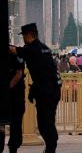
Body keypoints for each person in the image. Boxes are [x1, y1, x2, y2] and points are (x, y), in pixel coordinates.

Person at [9, 23, 61, 153]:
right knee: (48, 121)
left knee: (44, 123)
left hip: (47, 92)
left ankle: (51, 147)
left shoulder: (33, 49)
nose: (23, 40)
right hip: (52, 90)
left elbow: (14, 50)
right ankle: (51, 146)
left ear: (28, 35)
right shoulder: (44, 48)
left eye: (24, 36)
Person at [0, 51, 25, 153]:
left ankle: (12, 148)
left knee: (15, 125)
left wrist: (6, 88)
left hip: (14, 96)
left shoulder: (15, 53)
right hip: (1, 97)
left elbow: (18, 74)